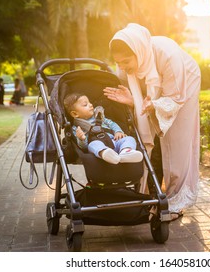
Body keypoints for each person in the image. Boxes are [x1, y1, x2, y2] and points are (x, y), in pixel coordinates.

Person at [104, 23, 201, 220]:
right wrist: (135, 101)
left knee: (176, 140)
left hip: (183, 85)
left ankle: (175, 202)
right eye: (118, 62)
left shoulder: (168, 55)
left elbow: (174, 98)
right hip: (155, 94)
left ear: (138, 52)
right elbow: (136, 96)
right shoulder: (126, 63)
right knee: (150, 139)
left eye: (125, 62)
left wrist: (155, 104)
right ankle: (150, 193)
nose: (122, 67)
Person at [63, 92, 143, 165]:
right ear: (75, 114)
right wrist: (82, 139)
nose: (91, 105)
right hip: (97, 146)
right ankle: (105, 153)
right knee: (93, 145)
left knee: (129, 139)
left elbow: (112, 124)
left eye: (90, 102)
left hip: (114, 141)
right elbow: (84, 147)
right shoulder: (77, 129)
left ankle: (126, 152)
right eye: (85, 105)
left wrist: (118, 131)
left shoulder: (100, 117)